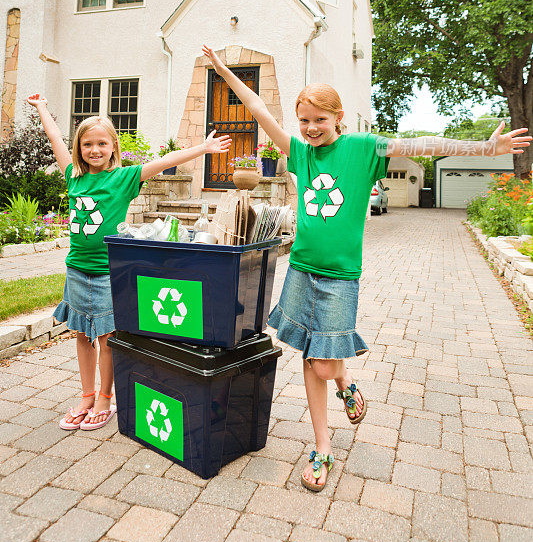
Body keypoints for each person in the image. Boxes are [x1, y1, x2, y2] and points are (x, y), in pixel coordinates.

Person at [201, 45, 531, 491]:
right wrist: (222, 70)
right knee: (309, 356)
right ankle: (322, 447)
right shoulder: (298, 152)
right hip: (300, 269)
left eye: (320, 119)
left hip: (339, 278)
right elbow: (259, 108)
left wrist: (485, 148)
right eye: (304, 119)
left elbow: (422, 144)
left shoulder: (363, 148)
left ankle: (345, 384)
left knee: (324, 365)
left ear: (338, 117)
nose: (311, 128)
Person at [27, 93, 231, 431]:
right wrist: (42, 107)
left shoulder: (123, 179)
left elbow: (166, 161)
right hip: (77, 269)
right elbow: (54, 139)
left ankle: (106, 398)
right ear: (79, 148)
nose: (94, 150)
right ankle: (87, 394)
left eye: (101, 144)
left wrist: (203, 149)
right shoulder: (73, 176)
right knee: (81, 334)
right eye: (87, 144)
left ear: (113, 148)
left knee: (107, 337)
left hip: (109, 272)